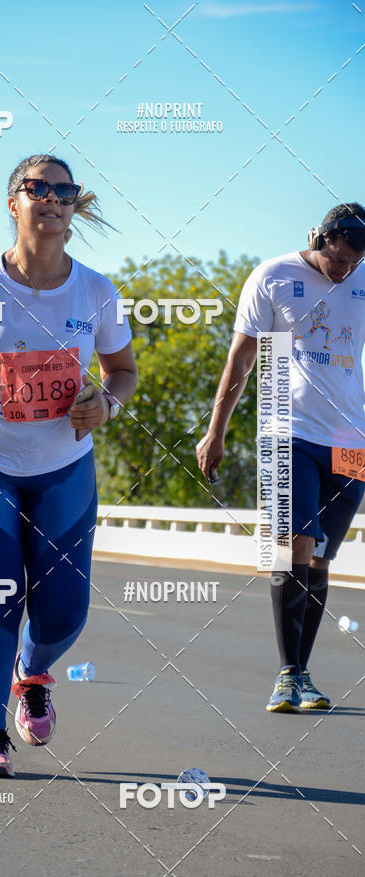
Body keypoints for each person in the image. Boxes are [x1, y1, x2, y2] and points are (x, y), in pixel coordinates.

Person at [0, 153, 137, 774]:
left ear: (73, 206)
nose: (52, 198)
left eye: (64, 190)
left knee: (65, 611)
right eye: (37, 187)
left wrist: (107, 405)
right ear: (13, 201)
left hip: (64, 466)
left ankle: (32, 672)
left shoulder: (95, 289)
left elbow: (122, 374)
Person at [196, 203, 365, 713]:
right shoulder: (273, 277)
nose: (344, 270)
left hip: (350, 441)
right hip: (284, 429)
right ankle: (287, 674)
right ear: (319, 239)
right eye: (337, 260)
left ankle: (302, 675)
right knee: (293, 544)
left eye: (354, 264)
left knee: (319, 557)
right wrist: (215, 431)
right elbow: (242, 360)